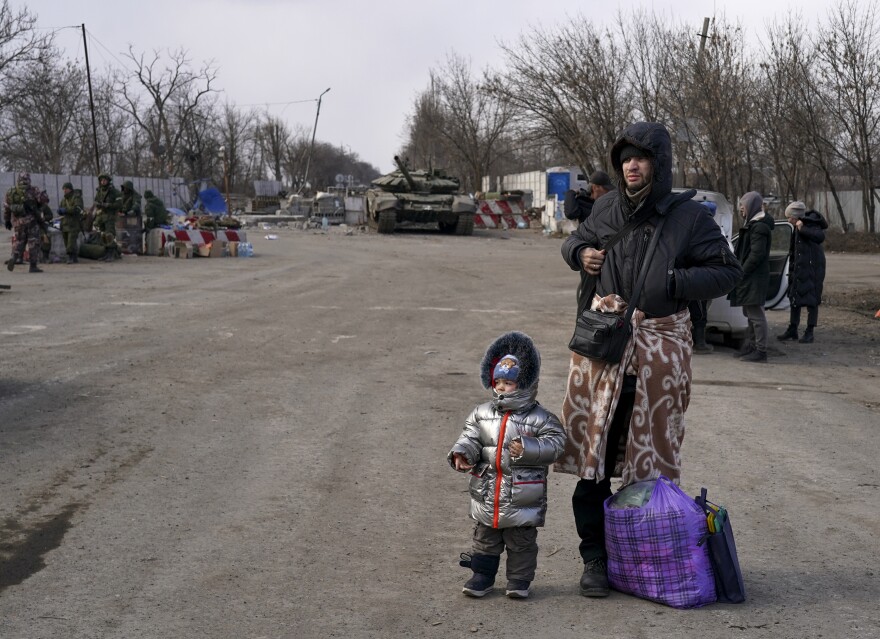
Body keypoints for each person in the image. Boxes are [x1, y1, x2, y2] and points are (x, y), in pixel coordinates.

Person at [557, 121, 743, 597]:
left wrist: (676, 283)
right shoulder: (606, 207)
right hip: (608, 348)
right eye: (625, 159)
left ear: (659, 163)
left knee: (650, 463)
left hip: (660, 350)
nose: (631, 165)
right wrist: (581, 254)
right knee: (595, 458)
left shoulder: (691, 218)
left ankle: (636, 554)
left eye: (640, 157)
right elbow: (572, 241)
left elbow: (727, 272)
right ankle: (595, 558)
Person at [448, 331, 565, 600]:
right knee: (484, 538)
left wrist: (529, 449)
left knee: (521, 543)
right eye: (497, 381)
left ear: (525, 383)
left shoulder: (541, 418)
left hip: (523, 495)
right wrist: (462, 452)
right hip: (487, 491)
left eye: (508, 383)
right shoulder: (481, 413)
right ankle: (482, 576)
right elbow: (470, 436)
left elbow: (557, 444)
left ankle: (519, 581)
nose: (500, 387)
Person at [728, 191, 775, 363]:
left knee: (756, 314)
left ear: (751, 207)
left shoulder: (759, 227)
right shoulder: (753, 224)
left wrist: (741, 271)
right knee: (749, 313)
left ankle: (760, 351)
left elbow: (756, 254)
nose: (741, 208)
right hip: (751, 277)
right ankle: (751, 346)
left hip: (754, 277)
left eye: (743, 205)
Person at [777, 201, 827, 344]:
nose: (788, 220)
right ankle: (793, 329)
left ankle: (809, 332)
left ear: (796, 217)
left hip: (813, 269)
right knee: (795, 298)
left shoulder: (811, 223)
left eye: (790, 217)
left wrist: (803, 229)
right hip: (800, 268)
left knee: (812, 300)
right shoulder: (795, 226)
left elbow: (820, 237)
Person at [4, 172, 49, 273]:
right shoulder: (33, 190)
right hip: (32, 221)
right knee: (33, 242)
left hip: (18, 222)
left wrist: (7, 220)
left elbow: (7, 207)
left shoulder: (11, 191)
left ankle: (14, 257)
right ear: (28, 179)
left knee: (19, 241)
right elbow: (43, 200)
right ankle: (33, 266)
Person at [92, 174, 121, 261]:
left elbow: (119, 204)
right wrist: (98, 205)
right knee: (103, 235)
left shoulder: (114, 192)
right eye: (101, 180)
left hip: (110, 216)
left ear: (108, 181)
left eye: (105, 180)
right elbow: (96, 201)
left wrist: (109, 205)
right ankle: (107, 253)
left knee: (110, 235)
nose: (103, 182)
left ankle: (112, 254)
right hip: (101, 216)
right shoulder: (99, 191)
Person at [58, 182, 84, 264]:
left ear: (70, 189)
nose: (65, 190)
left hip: (74, 224)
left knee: (71, 242)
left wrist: (66, 210)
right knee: (67, 242)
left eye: (66, 189)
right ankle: (74, 257)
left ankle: (71, 257)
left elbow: (77, 209)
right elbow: (61, 209)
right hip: (65, 224)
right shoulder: (64, 200)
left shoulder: (76, 198)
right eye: (64, 189)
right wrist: (60, 211)